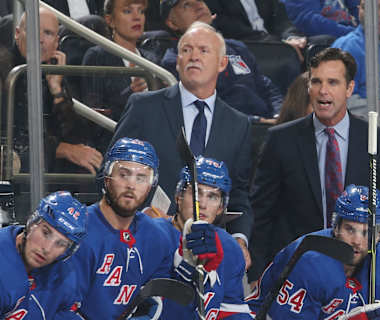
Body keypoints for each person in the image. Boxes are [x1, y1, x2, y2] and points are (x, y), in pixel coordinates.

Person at [248, 47, 380, 283]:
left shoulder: (377, 140)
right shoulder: (281, 140)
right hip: (295, 273)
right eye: (316, 81)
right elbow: (261, 213)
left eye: (333, 82)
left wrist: (370, 267)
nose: (323, 90)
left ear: (349, 88)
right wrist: (260, 274)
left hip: (357, 276)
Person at [108, 22, 254, 269]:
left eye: (203, 50)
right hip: (142, 245)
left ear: (222, 64)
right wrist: (140, 213)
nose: (193, 56)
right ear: (177, 61)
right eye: (186, 50)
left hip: (208, 254)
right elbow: (109, 172)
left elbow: (239, 194)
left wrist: (239, 240)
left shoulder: (238, 124)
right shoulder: (144, 107)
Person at [69, 137, 224, 319]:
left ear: (152, 185)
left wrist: (188, 268)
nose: (131, 185)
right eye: (123, 174)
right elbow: (59, 306)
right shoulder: (77, 228)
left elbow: (163, 308)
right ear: (107, 178)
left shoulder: (156, 236)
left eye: (141, 177)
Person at [247, 185, 380, 319]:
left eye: (367, 232)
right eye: (350, 229)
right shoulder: (310, 259)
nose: (357, 240)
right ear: (336, 227)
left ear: (379, 235)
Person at [1, 7, 103, 174]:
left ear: (57, 42)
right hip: (14, 169)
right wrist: (63, 149)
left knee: (90, 166)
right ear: (18, 33)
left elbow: (77, 137)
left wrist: (57, 90)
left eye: (48, 33)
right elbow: (12, 136)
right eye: (33, 30)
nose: (40, 39)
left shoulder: (52, 71)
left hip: (46, 168)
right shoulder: (4, 67)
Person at [155, 156, 253, 319]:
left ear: (221, 207)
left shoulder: (229, 247)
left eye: (213, 196)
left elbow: (231, 310)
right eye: (196, 193)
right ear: (178, 196)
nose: (203, 204)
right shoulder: (154, 235)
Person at [159, 0, 284, 121]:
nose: (199, 6)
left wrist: (279, 115)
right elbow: (200, 107)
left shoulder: (237, 48)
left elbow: (266, 86)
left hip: (265, 123)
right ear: (172, 23)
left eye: (200, 0)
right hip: (228, 130)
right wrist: (255, 121)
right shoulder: (176, 60)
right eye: (186, 5)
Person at [0, 191, 88, 318]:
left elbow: (64, 313)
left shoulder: (64, 275)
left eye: (61, 244)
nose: (47, 248)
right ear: (31, 222)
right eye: (45, 233)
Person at [82, 0, 161, 123]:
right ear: (110, 20)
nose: (137, 17)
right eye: (128, 11)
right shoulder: (97, 57)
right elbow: (94, 116)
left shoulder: (151, 59)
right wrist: (130, 95)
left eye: (141, 11)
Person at [281, 0, 359, 38]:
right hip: (327, 39)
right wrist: (355, 33)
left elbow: (358, 8)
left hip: (352, 32)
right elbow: (311, 22)